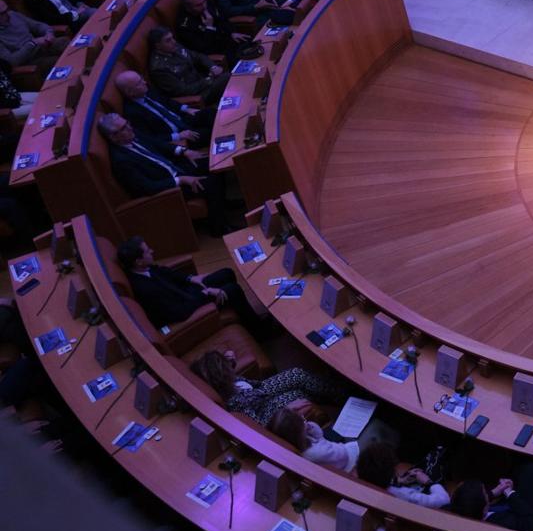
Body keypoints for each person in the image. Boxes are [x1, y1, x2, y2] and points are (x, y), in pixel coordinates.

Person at [97, 111, 229, 235]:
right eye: (124, 128)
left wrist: (183, 151)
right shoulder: (121, 161)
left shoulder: (131, 135)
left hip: (176, 167)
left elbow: (158, 144)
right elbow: (146, 187)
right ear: (113, 137)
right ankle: (219, 228)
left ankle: (227, 205)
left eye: (127, 124)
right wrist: (181, 180)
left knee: (215, 161)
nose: (130, 128)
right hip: (169, 187)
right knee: (211, 183)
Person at [117, 235, 255, 327]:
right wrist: (206, 293)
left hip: (185, 292)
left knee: (227, 273)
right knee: (233, 290)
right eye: (147, 251)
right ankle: (260, 330)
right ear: (138, 261)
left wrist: (190, 278)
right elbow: (178, 312)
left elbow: (166, 273)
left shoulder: (142, 268)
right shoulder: (146, 290)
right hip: (187, 306)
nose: (152, 251)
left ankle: (242, 315)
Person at [190, 349, 347, 425]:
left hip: (260, 391)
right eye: (226, 366)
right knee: (298, 393)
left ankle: (334, 391)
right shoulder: (236, 403)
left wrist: (228, 359)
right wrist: (288, 409)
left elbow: (228, 372)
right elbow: (259, 426)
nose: (230, 367)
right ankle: (342, 395)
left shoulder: (228, 381)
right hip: (266, 409)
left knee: (297, 374)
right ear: (223, 377)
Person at [115, 69, 213, 144]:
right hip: (177, 136)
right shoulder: (132, 113)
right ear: (130, 92)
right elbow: (151, 138)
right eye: (139, 83)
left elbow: (166, 100)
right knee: (210, 133)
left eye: (142, 79)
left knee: (210, 112)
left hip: (182, 119)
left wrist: (186, 108)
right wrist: (178, 136)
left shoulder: (146, 90)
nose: (144, 83)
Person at [448, 463, 533, 531]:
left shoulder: (455, 509)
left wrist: (494, 493)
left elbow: (471, 501)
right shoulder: (504, 524)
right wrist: (510, 493)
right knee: (531, 470)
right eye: (485, 493)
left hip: (505, 508)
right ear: (484, 509)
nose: (488, 493)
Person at [146, 27, 229, 105]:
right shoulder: (159, 68)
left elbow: (197, 56)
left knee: (233, 78)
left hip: (204, 81)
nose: (174, 42)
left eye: (172, 38)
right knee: (229, 79)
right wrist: (208, 80)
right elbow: (182, 90)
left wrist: (213, 67)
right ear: (158, 46)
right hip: (197, 95)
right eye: (168, 40)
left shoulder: (174, 47)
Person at [356, 441, 452, 508]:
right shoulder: (405, 496)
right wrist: (428, 482)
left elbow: (377, 482)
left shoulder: (357, 486)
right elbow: (444, 500)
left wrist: (399, 480)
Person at [269, 407, 362, 473]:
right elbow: (344, 456)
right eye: (301, 419)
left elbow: (320, 436)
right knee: (374, 425)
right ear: (297, 431)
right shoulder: (315, 453)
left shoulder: (301, 441)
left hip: (337, 451)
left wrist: (309, 427)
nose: (303, 417)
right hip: (349, 462)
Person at [176, 0, 252, 64]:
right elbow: (204, 48)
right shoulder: (184, 26)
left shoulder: (205, 3)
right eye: (198, 5)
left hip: (228, 39)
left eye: (204, 1)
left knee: (252, 44)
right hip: (219, 53)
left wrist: (231, 33)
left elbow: (223, 19)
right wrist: (209, 27)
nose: (204, 6)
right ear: (188, 7)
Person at [0, 0, 68, 77]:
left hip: (41, 46)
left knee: (64, 42)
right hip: (28, 60)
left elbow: (38, 26)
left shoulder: (13, 15)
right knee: (56, 61)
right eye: (2, 13)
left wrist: (49, 34)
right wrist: (32, 43)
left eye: (6, 9)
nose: (7, 14)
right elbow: (11, 61)